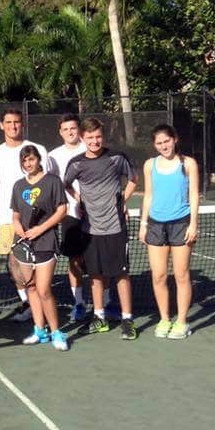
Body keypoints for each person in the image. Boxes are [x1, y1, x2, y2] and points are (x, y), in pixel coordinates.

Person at [63, 117, 139, 340]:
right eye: (90, 137)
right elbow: (66, 184)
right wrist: (79, 199)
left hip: (116, 227)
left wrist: (122, 200)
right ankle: (100, 318)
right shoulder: (76, 163)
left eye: (98, 137)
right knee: (95, 275)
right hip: (90, 229)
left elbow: (133, 179)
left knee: (121, 274)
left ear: (102, 136)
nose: (94, 141)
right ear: (82, 138)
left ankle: (127, 319)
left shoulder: (116, 158)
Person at [0, 108, 50, 325]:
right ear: (1, 125)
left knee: (39, 263)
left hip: (38, 221)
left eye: (16, 122)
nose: (13, 126)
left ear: (22, 124)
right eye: (8, 122)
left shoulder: (38, 149)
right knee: (14, 263)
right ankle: (28, 303)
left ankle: (41, 300)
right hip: (7, 219)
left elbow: (47, 181)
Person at [138, 124, 199, 339]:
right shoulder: (149, 165)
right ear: (154, 145)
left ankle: (182, 322)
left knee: (181, 275)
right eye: (159, 143)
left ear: (175, 139)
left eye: (167, 141)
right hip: (155, 225)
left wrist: (193, 224)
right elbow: (148, 195)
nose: (164, 146)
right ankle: (164, 319)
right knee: (159, 275)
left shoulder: (188, 164)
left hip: (181, 224)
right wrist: (143, 223)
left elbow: (193, 195)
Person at [10, 145, 69, 351]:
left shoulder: (53, 181)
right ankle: (40, 330)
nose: (28, 164)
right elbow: (15, 215)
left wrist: (40, 229)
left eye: (31, 159)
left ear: (38, 160)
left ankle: (56, 332)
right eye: (24, 161)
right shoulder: (18, 186)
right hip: (24, 244)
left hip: (46, 242)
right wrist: (19, 229)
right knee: (32, 288)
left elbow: (62, 210)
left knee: (44, 289)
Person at [47, 114, 90, 321]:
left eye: (73, 128)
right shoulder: (53, 156)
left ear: (78, 129)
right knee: (74, 260)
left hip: (97, 214)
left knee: (98, 260)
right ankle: (79, 303)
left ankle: (106, 302)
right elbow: (52, 184)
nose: (70, 132)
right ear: (60, 132)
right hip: (70, 214)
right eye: (66, 129)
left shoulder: (90, 147)